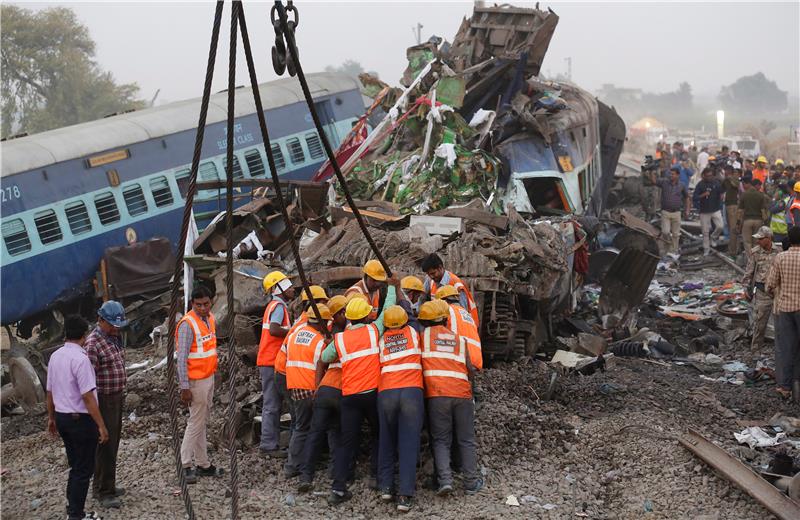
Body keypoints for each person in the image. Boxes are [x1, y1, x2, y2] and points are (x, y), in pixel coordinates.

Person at [321, 277, 399, 505]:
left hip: (350, 397)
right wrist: (392, 287)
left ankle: (338, 488)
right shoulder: (374, 332)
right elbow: (387, 310)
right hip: (372, 395)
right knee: (379, 434)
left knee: (347, 442)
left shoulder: (340, 339)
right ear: (365, 316)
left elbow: (325, 358)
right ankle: (376, 476)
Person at [418, 300, 483, 497]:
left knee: (440, 440)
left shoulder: (422, 338)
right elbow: (470, 370)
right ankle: (471, 483)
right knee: (466, 440)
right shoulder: (460, 340)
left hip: (438, 396)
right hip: (462, 394)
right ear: (446, 319)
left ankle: (445, 481)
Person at [47, 315, 108, 520]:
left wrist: (51, 418)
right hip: (80, 420)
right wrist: (101, 425)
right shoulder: (81, 360)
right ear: (84, 335)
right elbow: (88, 396)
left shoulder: (55, 356)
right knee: (83, 469)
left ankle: (72, 507)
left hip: (63, 418)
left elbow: (49, 391)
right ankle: (76, 514)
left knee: (76, 466)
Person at [296, 296, 348, 493]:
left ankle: (306, 476)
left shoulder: (334, 339)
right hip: (343, 391)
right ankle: (339, 473)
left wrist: (317, 387)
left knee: (315, 434)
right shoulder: (353, 338)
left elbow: (321, 362)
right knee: (339, 434)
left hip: (326, 389)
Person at [376, 305, 423, 512]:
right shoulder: (413, 333)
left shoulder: (382, 340)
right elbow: (414, 320)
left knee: (386, 439)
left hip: (387, 392)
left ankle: (386, 487)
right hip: (411, 392)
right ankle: (404, 496)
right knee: (408, 443)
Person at [176, 285, 224, 483]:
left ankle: (203, 464)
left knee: (200, 421)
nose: (202, 308)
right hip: (196, 381)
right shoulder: (188, 324)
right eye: (198, 305)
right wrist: (184, 386)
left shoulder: (210, 319)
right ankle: (185, 464)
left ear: (211, 301)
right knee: (195, 422)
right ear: (192, 304)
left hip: (207, 376)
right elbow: (181, 358)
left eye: (205, 304)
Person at [83, 301, 128, 509]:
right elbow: (88, 378)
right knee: (106, 444)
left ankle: (105, 484)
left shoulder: (113, 338)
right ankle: (104, 491)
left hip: (115, 397)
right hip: (103, 400)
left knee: (112, 443)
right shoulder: (94, 343)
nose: (115, 328)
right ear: (100, 320)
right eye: (112, 324)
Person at [284, 303, 331, 480]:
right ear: (321, 322)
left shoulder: (294, 333)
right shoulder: (319, 341)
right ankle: (293, 466)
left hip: (293, 383)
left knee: (300, 425)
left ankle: (298, 462)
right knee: (304, 427)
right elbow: (324, 362)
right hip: (309, 386)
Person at [257, 271, 295, 458]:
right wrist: (292, 332)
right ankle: (268, 446)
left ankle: (270, 443)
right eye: (288, 284)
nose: (292, 288)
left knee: (272, 404)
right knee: (272, 405)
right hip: (271, 361)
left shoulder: (274, 305)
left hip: (269, 361)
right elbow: (274, 330)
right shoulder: (278, 306)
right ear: (278, 287)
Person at [766, 226, 800, 399]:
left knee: (785, 348)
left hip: (785, 309)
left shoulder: (781, 257)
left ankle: (785, 387)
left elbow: (770, 284)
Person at [742, 227, 778, 351]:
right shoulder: (755, 252)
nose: (758, 241)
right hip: (762, 293)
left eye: (761, 239)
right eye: (757, 239)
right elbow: (748, 273)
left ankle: (781, 351)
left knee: (782, 324)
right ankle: (755, 350)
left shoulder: (780, 250)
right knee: (759, 323)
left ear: (769, 238)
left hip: (778, 293)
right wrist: (746, 289)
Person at [422, 253, 480, 326]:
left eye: (433, 273)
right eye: (428, 274)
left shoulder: (456, 285)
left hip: (466, 326)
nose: (431, 277)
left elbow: (462, 313)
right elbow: (421, 299)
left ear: (440, 268)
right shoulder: (430, 280)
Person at [657, 166, 691, 257]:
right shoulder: (664, 182)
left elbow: (687, 197)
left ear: (678, 175)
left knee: (676, 234)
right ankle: (667, 247)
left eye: (673, 174)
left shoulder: (682, 185)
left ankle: (673, 251)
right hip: (665, 212)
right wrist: (651, 170)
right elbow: (654, 181)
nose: (670, 175)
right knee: (665, 232)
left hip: (676, 212)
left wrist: (687, 210)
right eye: (670, 173)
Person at [693, 168, 724, 256]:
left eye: (711, 175)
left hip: (715, 209)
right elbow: (695, 197)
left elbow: (721, 191)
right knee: (705, 231)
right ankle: (706, 249)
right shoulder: (700, 184)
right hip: (704, 211)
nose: (709, 177)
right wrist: (703, 195)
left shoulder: (716, 183)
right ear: (704, 176)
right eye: (707, 176)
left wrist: (721, 195)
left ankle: (713, 237)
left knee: (720, 226)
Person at [738, 178, 769, 260]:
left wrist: (739, 223)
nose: (760, 187)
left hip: (747, 221)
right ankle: (756, 260)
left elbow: (740, 211)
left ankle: (750, 260)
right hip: (758, 221)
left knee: (747, 242)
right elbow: (763, 210)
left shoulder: (744, 194)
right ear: (756, 185)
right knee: (756, 242)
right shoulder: (760, 195)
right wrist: (765, 222)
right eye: (760, 185)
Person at [722, 164, 741, 255]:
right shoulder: (725, 180)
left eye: (726, 171)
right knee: (730, 228)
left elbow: (736, 185)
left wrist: (730, 178)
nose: (724, 172)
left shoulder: (735, 178)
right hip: (727, 205)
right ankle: (733, 249)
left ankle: (733, 251)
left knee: (733, 229)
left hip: (733, 206)